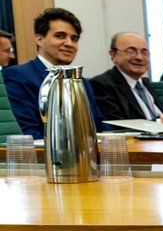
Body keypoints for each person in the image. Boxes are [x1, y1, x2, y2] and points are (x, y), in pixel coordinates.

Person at [3, 8, 104, 138]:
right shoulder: (17, 77)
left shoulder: (82, 82)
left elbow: (99, 127)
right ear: (39, 39)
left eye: (74, 39)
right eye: (60, 36)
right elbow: (27, 134)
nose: (69, 43)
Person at [89, 32, 163, 126]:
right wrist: (160, 123)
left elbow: (160, 116)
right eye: (131, 51)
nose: (139, 57)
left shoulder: (145, 83)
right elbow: (116, 127)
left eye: (144, 52)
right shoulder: (101, 84)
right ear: (113, 55)